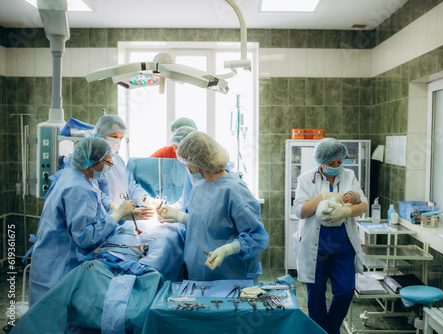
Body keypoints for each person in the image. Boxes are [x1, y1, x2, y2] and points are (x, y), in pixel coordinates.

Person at [29, 137, 137, 306]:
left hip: (49, 258)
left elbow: (98, 197)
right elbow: (84, 237)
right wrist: (117, 216)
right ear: (91, 162)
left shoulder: (75, 175)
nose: (110, 167)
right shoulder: (78, 188)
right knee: (54, 320)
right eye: (108, 162)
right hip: (58, 267)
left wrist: (118, 210)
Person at [157, 131, 268, 282]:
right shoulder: (200, 186)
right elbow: (207, 223)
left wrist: (227, 249)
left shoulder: (234, 190)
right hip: (199, 273)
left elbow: (257, 236)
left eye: (187, 162)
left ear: (198, 161)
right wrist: (178, 216)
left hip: (231, 276)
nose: (187, 166)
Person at [293, 138, 368, 334]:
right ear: (321, 162)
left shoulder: (349, 176)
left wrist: (346, 212)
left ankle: (329, 329)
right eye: (331, 163)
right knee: (316, 295)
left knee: (345, 291)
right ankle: (320, 330)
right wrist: (322, 198)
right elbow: (299, 211)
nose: (336, 167)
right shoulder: (305, 179)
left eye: (339, 162)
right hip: (315, 248)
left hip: (343, 246)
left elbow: (363, 204)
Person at [94, 114, 158, 213]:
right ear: (99, 132)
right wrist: (118, 212)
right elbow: (95, 195)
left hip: (121, 219)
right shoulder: (91, 162)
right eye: (114, 137)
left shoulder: (118, 160)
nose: (117, 142)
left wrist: (148, 201)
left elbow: (131, 187)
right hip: (104, 218)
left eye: (121, 138)